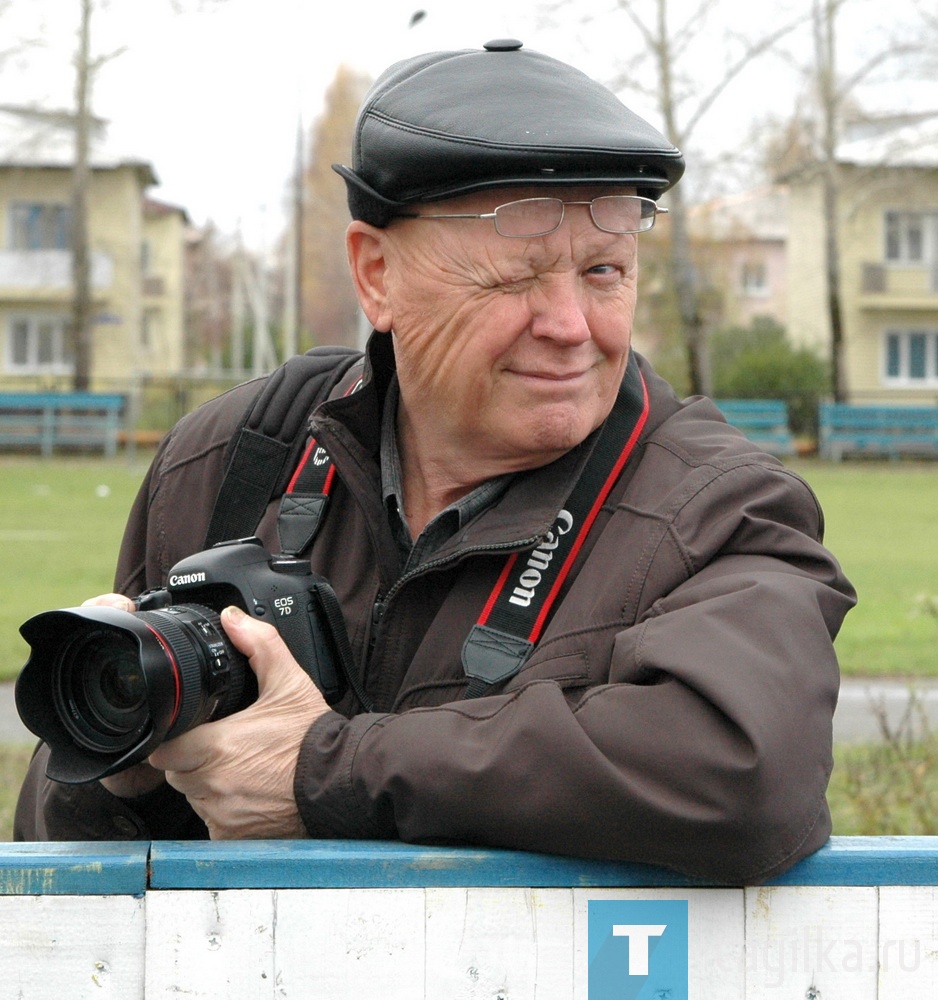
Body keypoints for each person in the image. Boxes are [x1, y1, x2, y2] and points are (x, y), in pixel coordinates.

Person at [15, 40, 855, 883]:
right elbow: (62, 873)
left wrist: (321, 771)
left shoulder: (719, 507)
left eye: (604, 271)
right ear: (376, 275)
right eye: (514, 280)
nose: (570, 325)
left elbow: (743, 773)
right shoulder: (237, 457)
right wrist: (112, 773)